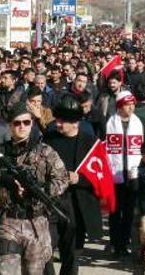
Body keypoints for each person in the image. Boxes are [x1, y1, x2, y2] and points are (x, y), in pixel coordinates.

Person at [0, 102, 69, 275]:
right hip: (9, 221)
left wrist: (41, 189)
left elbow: (62, 179)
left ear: (32, 123)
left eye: (26, 122)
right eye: (17, 123)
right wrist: (1, 179)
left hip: (37, 222)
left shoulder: (45, 152)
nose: (22, 127)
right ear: (10, 125)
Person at [43, 94, 103, 275]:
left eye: (62, 121)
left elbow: (101, 176)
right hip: (50, 203)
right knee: (44, 249)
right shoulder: (48, 139)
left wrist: (80, 178)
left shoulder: (90, 143)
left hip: (76, 205)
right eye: (57, 119)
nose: (58, 124)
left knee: (71, 255)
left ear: (75, 122)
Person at [106, 91, 145, 257]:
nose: (131, 107)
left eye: (133, 104)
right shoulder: (109, 122)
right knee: (115, 212)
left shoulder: (140, 123)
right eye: (127, 104)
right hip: (114, 173)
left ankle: (124, 243)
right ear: (119, 105)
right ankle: (115, 243)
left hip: (133, 174)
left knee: (129, 212)